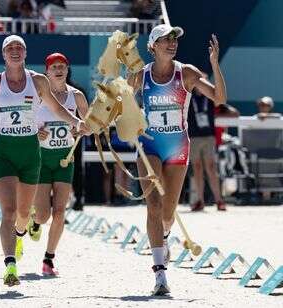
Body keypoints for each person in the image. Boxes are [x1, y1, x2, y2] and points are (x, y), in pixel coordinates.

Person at [0, 35, 90, 286]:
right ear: (3, 55)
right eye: (10, 48)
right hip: (5, 151)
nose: (15, 51)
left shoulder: (38, 81)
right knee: (8, 211)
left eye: (19, 47)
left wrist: (76, 122)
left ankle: (21, 232)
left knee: (24, 213)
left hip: (31, 153)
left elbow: (55, 107)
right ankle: (10, 265)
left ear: (26, 53)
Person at [128, 24, 226, 295]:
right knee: (154, 205)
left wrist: (215, 64)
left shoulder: (188, 73)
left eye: (174, 40)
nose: (171, 44)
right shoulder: (140, 76)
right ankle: (160, 274)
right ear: (152, 46)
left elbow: (219, 98)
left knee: (168, 212)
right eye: (165, 40)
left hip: (178, 146)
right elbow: (120, 106)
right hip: (149, 145)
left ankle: (165, 236)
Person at [26, 52, 88, 276]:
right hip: (42, 159)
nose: (59, 70)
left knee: (60, 212)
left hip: (65, 158)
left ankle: (49, 259)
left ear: (67, 69)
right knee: (43, 216)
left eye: (62, 66)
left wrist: (79, 128)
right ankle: (34, 220)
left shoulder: (77, 96)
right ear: (47, 72)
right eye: (54, 67)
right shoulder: (36, 95)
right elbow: (25, 124)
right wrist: (36, 133)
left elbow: (88, 125)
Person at [187, 75, 228, 211]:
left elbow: (227, 108)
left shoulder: (210, 98)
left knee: (211, 168)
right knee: (197, 169)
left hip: (208, 136)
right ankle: (200, 200)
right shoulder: (189, 98)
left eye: (203, 81)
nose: (201, 84)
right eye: (199, 81)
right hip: (193, 137)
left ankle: (219, 200)